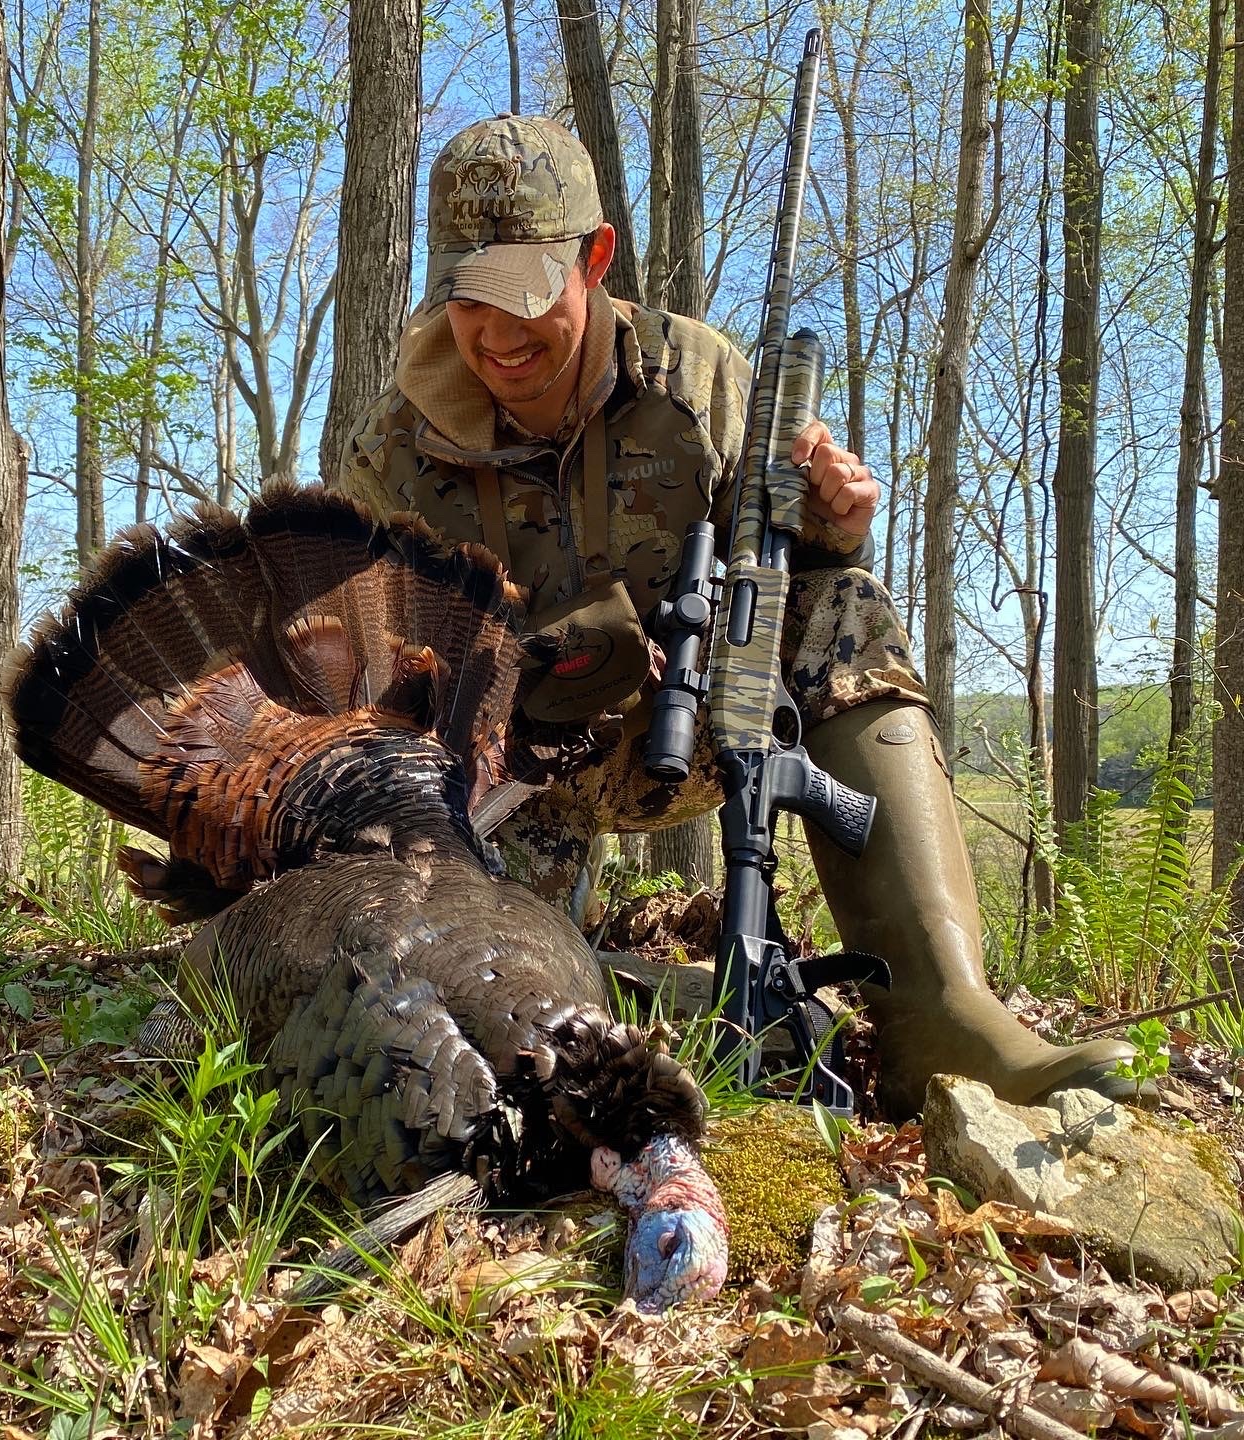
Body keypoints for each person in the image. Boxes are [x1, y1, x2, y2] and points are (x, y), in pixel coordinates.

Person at [331, 113, 1137, 1119]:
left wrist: (834, 529)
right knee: (495, 1025)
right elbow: (379, 684)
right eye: (466, 296)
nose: (495, 335)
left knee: (848, 607)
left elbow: (781, 573)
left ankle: (939, 1013)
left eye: (526, 296)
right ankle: (650, 990)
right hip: (513, 771)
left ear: (597, 257)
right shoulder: (392, 447)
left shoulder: (703, 377)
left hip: (705, 719)